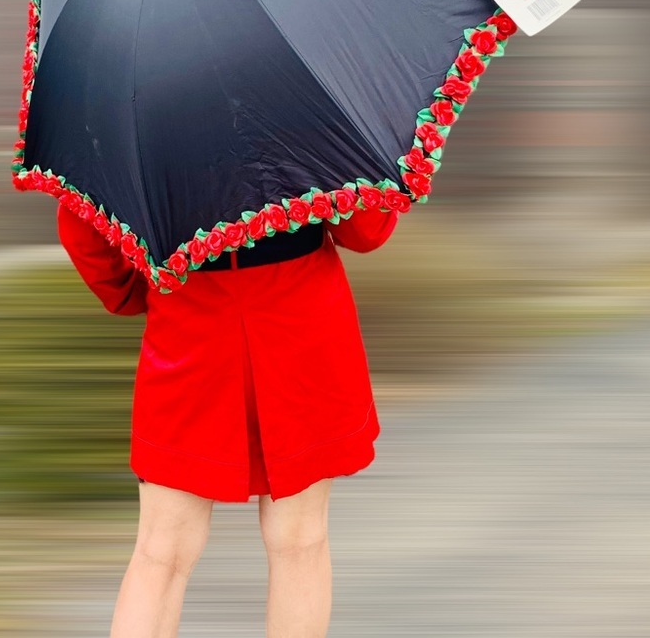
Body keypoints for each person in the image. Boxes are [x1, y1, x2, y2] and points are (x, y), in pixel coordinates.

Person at [57, 200, 397, 638]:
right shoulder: (305, 126)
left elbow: (82, 228)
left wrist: (142, 286)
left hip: (188, 317)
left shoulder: (124, 127)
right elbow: (365, 229)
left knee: (162, 553)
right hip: (302, 318)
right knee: (300, 541)